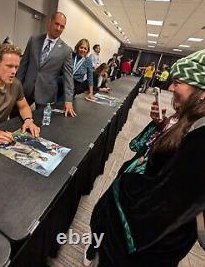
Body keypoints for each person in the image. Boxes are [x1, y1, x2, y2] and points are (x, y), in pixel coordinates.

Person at [84, 49, 205, 267]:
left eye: (178, 82)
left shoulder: (202, 136)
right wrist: (161, 125)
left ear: (202, 90)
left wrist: (124, 186)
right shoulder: (191, 116)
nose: (170, 88)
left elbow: (166, 206)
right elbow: (168, 154)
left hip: (143, 243)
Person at [16, 12, 76, 117]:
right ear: (50, 22)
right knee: (15, 116)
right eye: (56, 24)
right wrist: (15, 86)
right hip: (26, 89)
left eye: (62, 27)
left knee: (41, 124)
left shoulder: (66, 50)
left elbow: (68, 77)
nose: (58, 28)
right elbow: (23, 66)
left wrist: (68, 101)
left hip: (46, 94)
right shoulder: (34, 40)